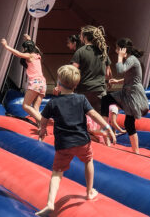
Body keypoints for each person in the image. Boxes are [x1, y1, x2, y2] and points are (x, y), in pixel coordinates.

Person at [36, 65, 115, 216]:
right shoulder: (81, 99)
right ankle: (89, 191)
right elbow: (93, 115)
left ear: (58, 84)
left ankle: (50, 203)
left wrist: (42, 129)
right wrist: (107, 126)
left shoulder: (53, 102)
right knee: (88, 161)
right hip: (82, 142)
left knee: (56, 173)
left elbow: (43, 119)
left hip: (63, 144)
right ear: (76, 85)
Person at [101, 38, 150, 154]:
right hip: (127, 92)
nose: (116, 51)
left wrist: (120, 57)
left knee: (129, 122)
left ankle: (136, 151)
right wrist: (118, 82)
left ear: (123, 49)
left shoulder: (132, 59)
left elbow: (120, 69)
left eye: (118, 48)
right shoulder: (131, 60)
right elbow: (132, 77)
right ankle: (104, 127)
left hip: (133, 94)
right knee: (106, 99)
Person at [1, 36, 46, 126]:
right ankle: (40, 127)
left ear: (26, 49)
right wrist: (29, 39)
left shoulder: (30, 56)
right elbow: (34, 47)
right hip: (43, 83)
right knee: (35, 108)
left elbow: (18, 53)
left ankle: (42, 122)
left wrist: (6, 46)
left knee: (25, 105)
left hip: (35, 83)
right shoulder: (38, 55)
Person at [70, 25, 109, 114]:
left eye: (81, 35)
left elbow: (72, 72)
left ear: (85, 37)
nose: (79, 37)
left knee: (80, 117)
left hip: (84, 90)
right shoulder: (103, 52)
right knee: (98, 119)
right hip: (100, 90)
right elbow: (107, 73)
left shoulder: (80, 51)